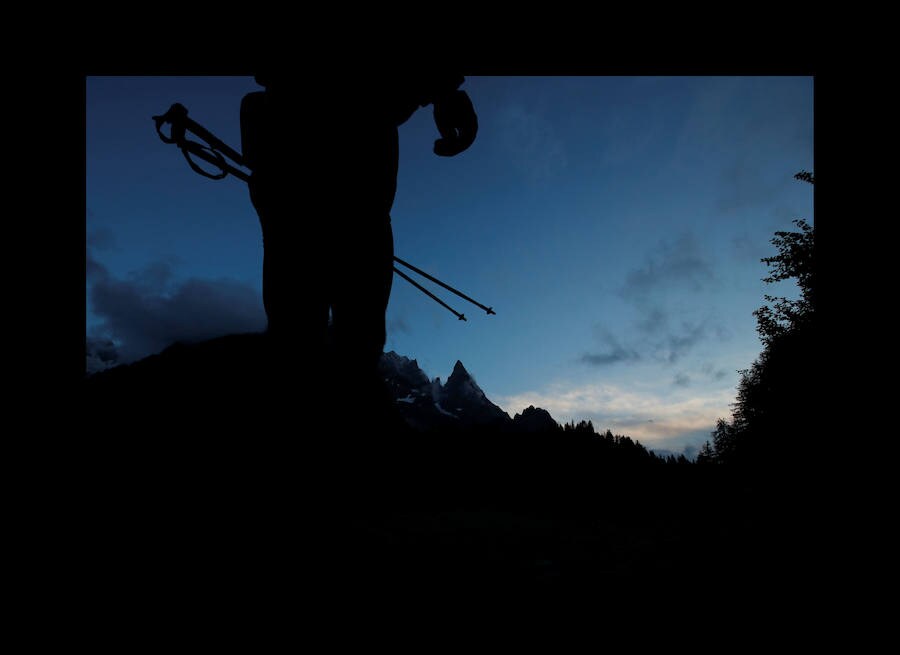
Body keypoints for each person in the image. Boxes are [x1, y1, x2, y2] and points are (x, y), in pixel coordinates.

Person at [240, 71, 478, 385]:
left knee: (313, 332)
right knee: (325, 335)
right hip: (337, 190)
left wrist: (444, 91)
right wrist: (445, 92)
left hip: (307, 185)